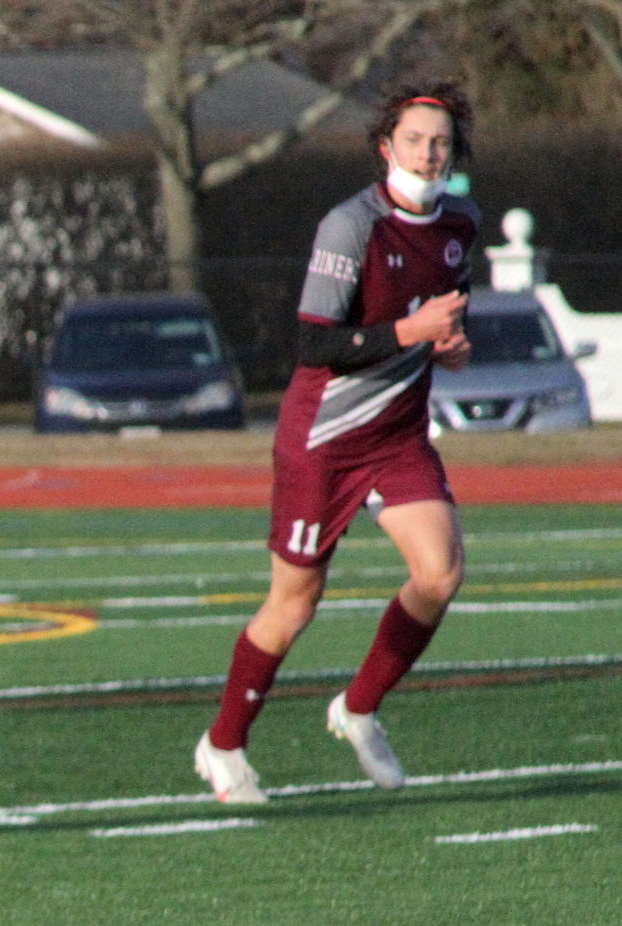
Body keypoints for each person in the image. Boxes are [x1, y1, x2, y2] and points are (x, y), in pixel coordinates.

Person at [195, 85, 479, 803]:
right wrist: (408, 336)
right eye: (414, 139)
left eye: (440, 140)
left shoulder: (462, 223)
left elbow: (439, 318)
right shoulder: (350, 225)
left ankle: (357, 707)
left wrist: (446, 347)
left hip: (398, 435)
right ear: (387, 147)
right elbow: (313, 343)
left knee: (440, 571)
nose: (428, 152)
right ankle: (223, 743)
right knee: (294, 603)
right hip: (324, 437)